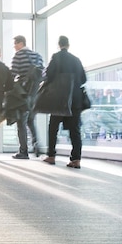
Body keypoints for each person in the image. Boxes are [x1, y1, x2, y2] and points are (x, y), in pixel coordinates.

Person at [42, 36, 87, 168]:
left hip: (59, 99)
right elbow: (83, 79)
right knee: (75, 130)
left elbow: (49, 75)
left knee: (53, 128)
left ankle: (51, 155)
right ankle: (76, 159)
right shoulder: (76, 59)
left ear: (58, 45)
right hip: (75, 100)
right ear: (68, 45)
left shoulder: (56, 57)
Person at [10, 35, 44, 159]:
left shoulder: (18, 56)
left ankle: (23, 151)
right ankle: (36, 144)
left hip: (22, 95)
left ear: (20, 43)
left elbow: (12, 74)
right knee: (30, 121)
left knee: (21, 123)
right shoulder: (37, 56)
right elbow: (43, 76)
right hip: (35, 94)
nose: (14, 47)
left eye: (15, 44)